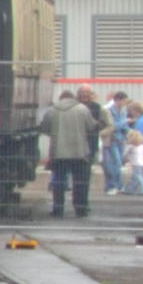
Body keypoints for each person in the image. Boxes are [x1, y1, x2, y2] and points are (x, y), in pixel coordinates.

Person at [43, 89, 99, 218]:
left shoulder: (52, 110)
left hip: (58, 152)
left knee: (59, 182)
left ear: (60, 98)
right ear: (73, 97)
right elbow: (91, 127)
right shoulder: (83, 109)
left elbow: (45, 129)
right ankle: (80, 209)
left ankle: (58, 209)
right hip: (79, 152)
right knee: (80, 182)